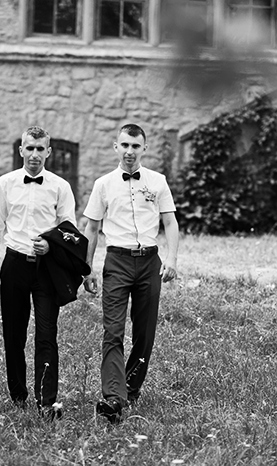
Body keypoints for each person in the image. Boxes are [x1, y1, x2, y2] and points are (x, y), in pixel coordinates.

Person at [83, 123, 179, 424]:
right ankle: (113, 397)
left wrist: (172, 259)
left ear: (143, 149)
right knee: (112, 331)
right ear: (116, 147)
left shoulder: (158, 181)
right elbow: (92, 228)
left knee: (144, 332)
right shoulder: (103, 185)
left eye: (135, 146)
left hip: (149, 261)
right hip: (118, 261)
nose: (129, 151)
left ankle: (131, 388)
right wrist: (87, 269)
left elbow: (170, 223)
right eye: (124, 145)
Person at [0, 126, 77, 422]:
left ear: (49, 152)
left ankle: (46, 401)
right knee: (13, 333)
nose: (34, 154)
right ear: (21, 150)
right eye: (29, 148)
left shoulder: (60, 186)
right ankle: (18, 394)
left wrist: (51, 243)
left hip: (46, 268)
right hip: (14, 264)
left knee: (47, 334)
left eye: (40, 149)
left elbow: (69, 229)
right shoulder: (5, 183)